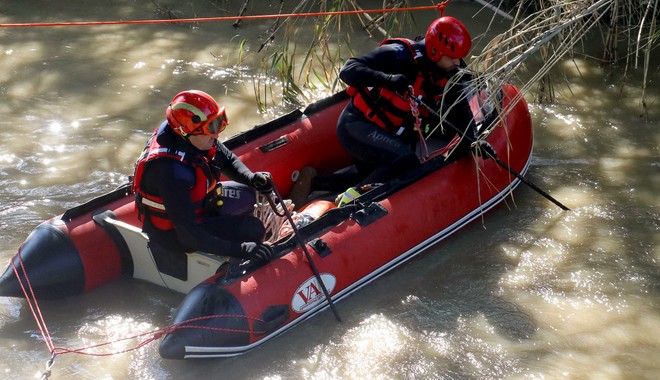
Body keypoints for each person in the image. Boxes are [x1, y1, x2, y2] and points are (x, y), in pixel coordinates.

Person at [334, 15, 495, 204]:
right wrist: (388, 80)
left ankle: (318, 182)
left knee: (380, 169)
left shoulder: (450, 75)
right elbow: (348, 69)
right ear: (435, 51)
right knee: (406, 160)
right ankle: (351, 202)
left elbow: (462, 117)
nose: (458, 63)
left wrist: (474, 141)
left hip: (390, 134)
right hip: (356, 126)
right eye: (452, 58)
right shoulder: (399, 55)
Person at [131, 90, 275, 276]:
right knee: (253, 229)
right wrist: (242, 249)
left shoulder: (189, 135)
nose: (216, 134)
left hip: (198, 206)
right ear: (188, 131)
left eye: (218, 123)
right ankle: (232, 272)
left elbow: (226, 158)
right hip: (174, 234)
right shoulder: (171, 173)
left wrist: (251, 178)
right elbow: (189, 236)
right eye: (211, 128)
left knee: (248, 193)